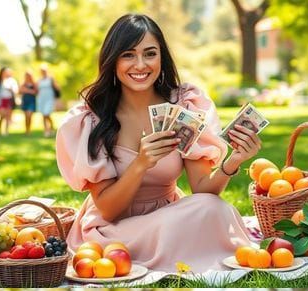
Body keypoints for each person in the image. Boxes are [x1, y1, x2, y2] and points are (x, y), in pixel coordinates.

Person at [56, 14, 261, 273]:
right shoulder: (93, 119)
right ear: (113, 61)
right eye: (128, 55)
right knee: (189, 222)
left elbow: (203, 190)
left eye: (150, 54)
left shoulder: (184, 105)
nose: (140, 65)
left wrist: (235, 160)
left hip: (169, 217)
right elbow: (108, 210)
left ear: (161, 57)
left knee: (214, 208)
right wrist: (141, 163)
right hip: (113, 231)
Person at [0, 67, 18, 136]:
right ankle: (0, 130)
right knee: (2, 116)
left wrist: (11, 90)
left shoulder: (12, 81)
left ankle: (6, 131)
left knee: (7, 116)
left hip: (8, 100)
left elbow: (15, 91)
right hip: (0, 100)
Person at [36, 64, 60, 137]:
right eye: (42, 71)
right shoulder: (39, 80)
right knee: (43, 115)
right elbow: (37, 89)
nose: (43, 72)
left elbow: (57, 88)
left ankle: (51, 128)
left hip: (49, 98)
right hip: (41, 98)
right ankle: (46, 130)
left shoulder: (51, 79)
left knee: (47, 113)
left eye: (44, 70)